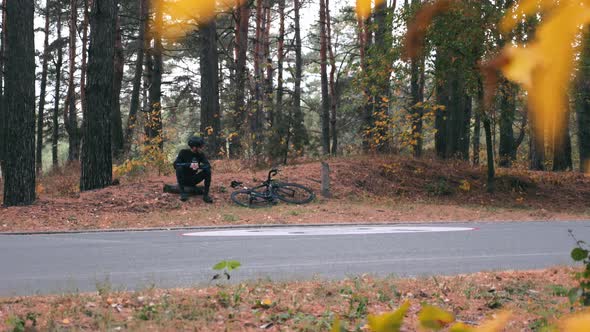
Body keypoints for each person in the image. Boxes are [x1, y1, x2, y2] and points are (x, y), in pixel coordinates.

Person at [173, 136, 213, 203]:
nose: (202, 148)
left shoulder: (201, 155)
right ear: (195, 147)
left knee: (207, 171)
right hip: (183, 180)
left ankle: (206, 195)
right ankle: (183, 193)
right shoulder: (183, 152)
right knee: (179, 168)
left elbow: (208, 165)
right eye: (200, 147)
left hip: (193, 179)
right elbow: (175, 164)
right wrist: (188, 165)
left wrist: (198, 166)